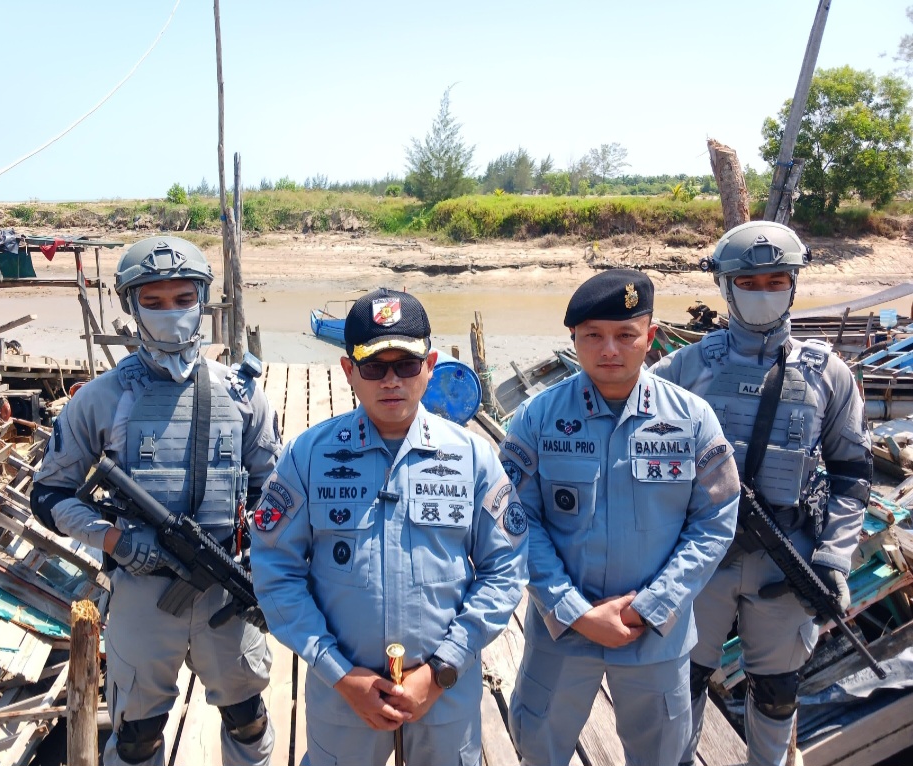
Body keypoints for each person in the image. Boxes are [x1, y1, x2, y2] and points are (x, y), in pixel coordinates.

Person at [30, 236, 282, 766]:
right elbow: (48, 494)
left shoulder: (242, 395)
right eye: (154, 301)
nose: (171, 314)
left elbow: (270, 493)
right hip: (141, 588)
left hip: (224, 581)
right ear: (130, 306)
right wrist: (114, 538)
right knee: (137, 733)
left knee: (248, 717)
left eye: (183, 299)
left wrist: (260, 559)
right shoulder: (101, 398)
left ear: (204, 300)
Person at [249, 287, 528, 766]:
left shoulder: (473, 457)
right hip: (342, 695)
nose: (391, 380)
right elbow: (276, 569)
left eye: (407, 364)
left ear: (431, 365)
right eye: (375, 367)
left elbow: (505, 568)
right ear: (348, 371)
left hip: (444, 693)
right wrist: (339, 673)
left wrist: (441, 670)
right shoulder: (308, 456)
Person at [649, 221, 872, 766]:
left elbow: (852, 473)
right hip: (701, 559)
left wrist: (835, 558)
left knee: (777, 695)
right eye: (748, 282)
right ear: (725, 287)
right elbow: (628, 424)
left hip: (787, 559)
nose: (762, 291)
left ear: (794, 284)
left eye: (776, 279)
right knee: (684, 683)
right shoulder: (687, 366)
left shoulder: (829, 374)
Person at [501, 269, 740, 766]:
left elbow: (715, 519)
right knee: (538, 747)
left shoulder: (692, 420)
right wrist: (575, 611)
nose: (609, 349)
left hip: (654, 634)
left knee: (660, 755)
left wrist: (652, 605)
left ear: (650, 338)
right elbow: (514, 517)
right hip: (562, 631)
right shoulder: (537, 419)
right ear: (573, 339)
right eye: (593, 335)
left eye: (625, 334)